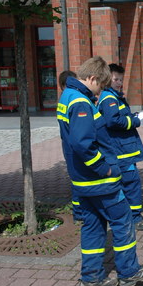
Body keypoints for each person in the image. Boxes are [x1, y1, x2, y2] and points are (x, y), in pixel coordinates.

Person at [57, 56, 143, 286]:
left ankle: (91, 278)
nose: (100, 91)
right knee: (123, 223)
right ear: (91, 78)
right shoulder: (80, 102)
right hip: (101, 181)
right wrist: (105, 168)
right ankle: (129, 273)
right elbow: (83, 144)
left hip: (82, 181)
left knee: (92, 227)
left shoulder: (67, 96)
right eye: (100, 85)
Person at [97, 64, 143, 231]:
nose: (119, 83)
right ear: (107, 79)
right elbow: (113, 121)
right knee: (131, 183)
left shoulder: (114, 97)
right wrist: (133, 121)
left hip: (122, 150)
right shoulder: (109, 98)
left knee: (128, 182)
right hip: (121, 152)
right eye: (116, 79)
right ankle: (134, 217)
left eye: (121, 79)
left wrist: (130, 117)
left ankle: (126, 214)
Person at [58, 70, 83, 222]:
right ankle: (79, 213)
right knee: (78, 181)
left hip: (67, 145)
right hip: (72, 147)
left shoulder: (64, 98)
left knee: (75, 180)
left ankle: (78, 212)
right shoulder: (72, 99)